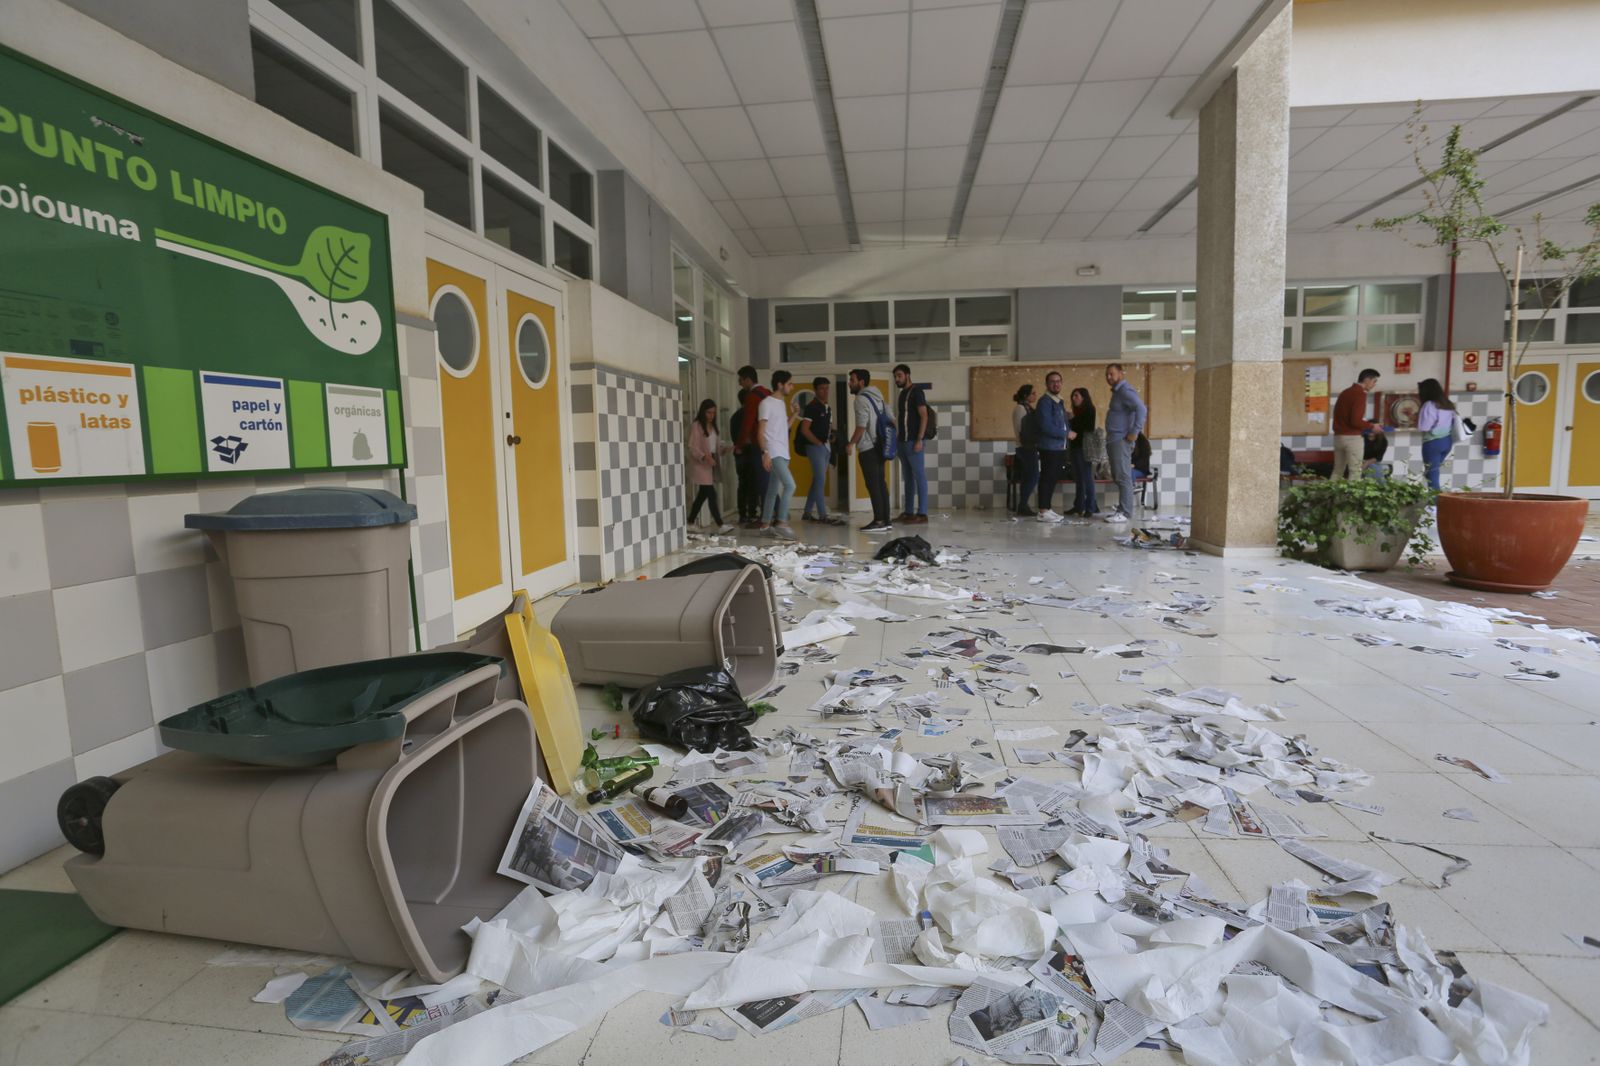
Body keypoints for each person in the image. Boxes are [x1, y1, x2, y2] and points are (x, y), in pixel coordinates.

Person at [847, 369, 892, 533]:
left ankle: (879, 521)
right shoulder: (877, 395)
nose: (849, 383)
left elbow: (861, 426)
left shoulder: (860, 399)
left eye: (852, 380)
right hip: (880, 445)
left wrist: (851, 443)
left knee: (873, 485)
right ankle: (886, 520)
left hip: (868, 447)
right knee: (881, 484)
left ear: (861, 382)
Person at [1103, 363, 1148, 523]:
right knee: (1119, 475)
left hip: (1121, 440)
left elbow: (1142, 409)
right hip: (1115, 439)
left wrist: (1134, 433)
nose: (1109, 377)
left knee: (1122, 476)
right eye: (1107, 374)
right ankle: (1122, 509)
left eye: (1112, 374)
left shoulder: (1124, 391)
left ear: (1121, 373)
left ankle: (1126, 512)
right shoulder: (1118, 392)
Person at [757, 370, 797, 539]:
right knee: (790, 485)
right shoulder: (766, 403)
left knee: (773, 489)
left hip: (782, 451)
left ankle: (765, 525)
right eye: (789, 383)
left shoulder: (781, 403)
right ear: (780, 384)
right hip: (774, 451)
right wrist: (765, 452)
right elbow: (761, 431)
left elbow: (783, 428)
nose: (792, 387)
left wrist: (794, 414)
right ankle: (781, 522)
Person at [686, 398, 735, 534]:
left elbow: (716, 447)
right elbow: (692, 447)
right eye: (709, 413)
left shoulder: (713, 427)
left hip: (712, 460)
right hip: (701, 463)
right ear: (703, 412)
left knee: (703, 494)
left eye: (713, 413)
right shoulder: (697, 425)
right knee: (711, 493)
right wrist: (704, 457)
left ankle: (690, 522)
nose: (711, 416)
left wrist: (725, 449)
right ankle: (720, 525)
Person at [733, 366, 771, 526]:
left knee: (761, 482)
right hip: (771, 443)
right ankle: (773, 514)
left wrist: (739, 444)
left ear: (748, 379)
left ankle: (766, 518)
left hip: (758, 443)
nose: (740, 384)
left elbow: (748, 423)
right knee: (769, 481)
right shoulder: (768, 393)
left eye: (741, 380)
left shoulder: (752, 397)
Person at [893, 363, 930, 524]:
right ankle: (908, 512)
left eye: (899, 375)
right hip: (902, 441)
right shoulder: (902, 394)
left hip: (914, 441)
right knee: (907, 477)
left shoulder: (917, 392)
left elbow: (924, 416)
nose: (897, 379)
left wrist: (919, 439)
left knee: (919, 476)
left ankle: (922, 513)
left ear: (907, 375)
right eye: (895, 376)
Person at [1332, 368, 1381, 481]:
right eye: (1374, 381)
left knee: (1337, 471)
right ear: (1367, 380)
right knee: (1355, 472)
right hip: (1352, 439)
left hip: (1338, 437)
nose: (1374, 385)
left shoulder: (1345, 392)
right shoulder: (1360, 394)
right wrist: (1372, 426)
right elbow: (1355, 421)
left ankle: (1329, 497)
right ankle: (1351, 499)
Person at [796, 376, 833, 522]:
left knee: (817, 480)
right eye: (822, 388)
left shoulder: (827, 407)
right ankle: (823, 514)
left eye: (827, 388)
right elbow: (805, 429)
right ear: (816, 390)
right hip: (815, 447)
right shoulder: (812, 407)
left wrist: (830, 437)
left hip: (826, 447)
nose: (825, 391)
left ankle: (807, 512)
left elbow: (827, 427)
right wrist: (817, 443)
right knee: (820, 480)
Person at [1035, 371, 1069, 522]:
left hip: (1059, 447)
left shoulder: (1058, 401)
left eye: (1058, 381)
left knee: (1053, 477)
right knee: (1047, 477)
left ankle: (1047, 508)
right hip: (1049, 447)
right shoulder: (1045, 401)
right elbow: (1045, 426)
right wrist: (1066, 433)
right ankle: (1042, 511)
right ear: (1047, 384)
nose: (1056, 384)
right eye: (1052, 381)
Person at [1417, 377, 1456, 491]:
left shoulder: (1429, 405)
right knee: (1433, 472)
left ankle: (1434, 505)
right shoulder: (1447, 404)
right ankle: (1434, 503)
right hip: (1447, 442)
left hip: (1432, 443)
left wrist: (1417, 417)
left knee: (1432, 475)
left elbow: (1424, 427)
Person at [1066, 387, 1098, 518]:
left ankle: (1090, 507)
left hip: (1084, 448)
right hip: (1075, 446)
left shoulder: (1089, 409)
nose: (1074, 398)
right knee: (1079, 478)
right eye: (1073, 396)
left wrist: (1072, 419)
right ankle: (1079, 505)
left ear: (1083, 397)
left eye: (1076, 396)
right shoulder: (1077, 411)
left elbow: (1088, 428)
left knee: (1087, 477)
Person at [1012, 385, 1039, 517]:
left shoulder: (1027, 408)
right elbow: (1022, 429)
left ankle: (1023, 505)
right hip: (1025, 447)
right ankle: (1023, 504)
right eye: (1032, 393)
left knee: (1028, 476)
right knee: (1033, 476)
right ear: (1025, 395)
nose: (1035, 396)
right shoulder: (1020, 408)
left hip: (1027, 446)